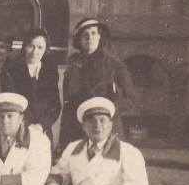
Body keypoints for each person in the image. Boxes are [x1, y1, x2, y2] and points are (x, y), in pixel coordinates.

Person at [59, 18, 137, 148]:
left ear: (100, 36)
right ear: (79, 40)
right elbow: (67, 108)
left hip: (107, 129)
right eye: (85, 34)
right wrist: (63, 142)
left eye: (93, 33)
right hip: (78, 131)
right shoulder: (72, 68)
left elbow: (131, 97)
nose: (89, 37)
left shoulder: (114, 64)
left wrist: (109, 110)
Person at [0, 27, 61, 148]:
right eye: (31, 46)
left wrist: (41, 125)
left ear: (45, 50)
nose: (34, 51)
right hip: (18, 127)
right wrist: (25, 125)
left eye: (40, 47)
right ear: (24, 47)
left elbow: (55, 104)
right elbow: (10, 102)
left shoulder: (50, 69)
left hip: (42, 129)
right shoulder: (12, 68)